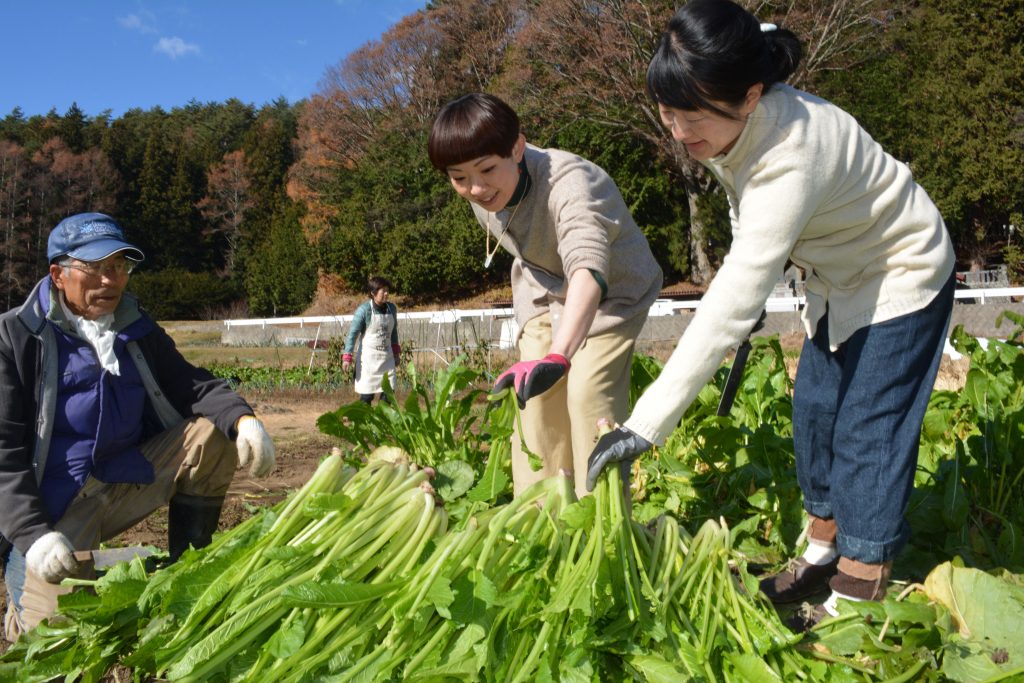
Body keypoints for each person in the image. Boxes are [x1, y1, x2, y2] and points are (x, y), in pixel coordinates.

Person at [585, 0, 956, 625]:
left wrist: (643, 425)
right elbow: (744, 211)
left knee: (869, 426)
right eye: (667, 110)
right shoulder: (727, 125)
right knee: (814, 410)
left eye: (692, 116)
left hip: (904, 271)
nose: (678, 131)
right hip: (838, 280)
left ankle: (860, 594)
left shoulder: (793, 147)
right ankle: (821, 552)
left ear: (751, 95)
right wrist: (759, 263)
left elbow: (734, 289)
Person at [0, 212, 276, 641]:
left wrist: (243, 419)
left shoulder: (133, 327)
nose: (111, 281)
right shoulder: (14, 337)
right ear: (58, 274)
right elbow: (3, 454)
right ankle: (23, 596)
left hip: (123, 481)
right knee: (49, 637)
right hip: (51, 510)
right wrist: (32, 535)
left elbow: (188, 382)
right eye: (95, 269)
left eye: (120, 267)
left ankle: (189, 567)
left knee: (211, 436)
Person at [428, 93, 663, 499]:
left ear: (517, 147)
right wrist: (544, 351)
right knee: (532, 398)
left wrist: (560, 354)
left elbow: (588, 268)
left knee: (587, 391)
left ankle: (600, 518)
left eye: (486, 169)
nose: (476, 188)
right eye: (459, 177)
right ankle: (539, 517)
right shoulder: (480, 193)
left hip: (611, 293)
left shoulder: (569, 182)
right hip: (545, 289)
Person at [341, 276, 401, 404]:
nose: (386, 293)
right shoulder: (364, 310)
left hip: (387, 359)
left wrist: (396, 353)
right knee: (366, 397)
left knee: (388, 395)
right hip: (369, 361)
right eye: (383, 291)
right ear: (373, 293)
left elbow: (393, 332)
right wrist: (347, 356)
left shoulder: (392, 309)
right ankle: (362, 422)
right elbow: (353, 334)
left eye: (387, 290)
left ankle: (381, 422)